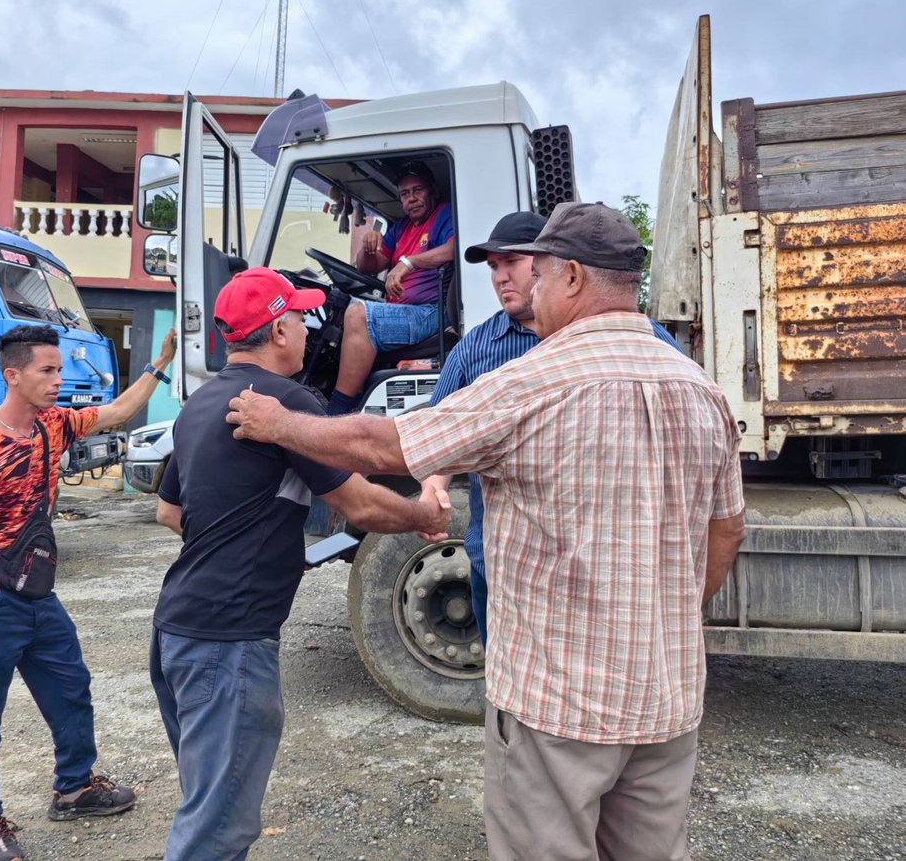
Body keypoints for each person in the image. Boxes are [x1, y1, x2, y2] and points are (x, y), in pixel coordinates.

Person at [224, 202, 748, 861]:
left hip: (560, 708)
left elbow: (388, 445)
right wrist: (660, 617)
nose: (521, 286)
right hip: (665, 703)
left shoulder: (534, 380)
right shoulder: (701, 389)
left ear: (573, 279)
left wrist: (284, 425)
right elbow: (725, 531)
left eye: (536, 273)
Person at [151, 267, 451, 861]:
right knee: (216, 831)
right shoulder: (284, 402)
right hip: (228, 644)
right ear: (279, 331)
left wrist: (266, 543)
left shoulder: (201, 401)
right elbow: (361, 501)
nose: (312, 332)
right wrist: (421, 510)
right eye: (301, 320)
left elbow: (169, 511)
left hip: (177, 631)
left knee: (207, 801)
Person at [0, 324, 177, 861]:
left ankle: (73, 788)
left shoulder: (54, 425)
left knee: (72, 687)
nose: (58, 379)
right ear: (13, 375)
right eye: (47, 370)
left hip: (37, 596)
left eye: (58, 368)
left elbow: (117, 412)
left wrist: (159, 363)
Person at [425, 211, 685, 646]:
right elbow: (440, 431)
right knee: (509, 690)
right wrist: (433, 486)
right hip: (503, 565)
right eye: (493, 267)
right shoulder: (477, 348)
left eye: (512, 262)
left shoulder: (640, 339)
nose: (501, 277)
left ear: (555, 267)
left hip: (604, 568)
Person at [326, 165, 454, 415]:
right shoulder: (402, 227)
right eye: (405, 194)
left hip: (431, 312)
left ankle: (338, 411)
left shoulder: (444, 214)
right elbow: (368, 267)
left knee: (358, 315)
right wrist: (367, 249)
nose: (412, 198)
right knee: (341, 314)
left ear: (433, 192)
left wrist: (409, 262)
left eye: (418, 190)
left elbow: (455, 248)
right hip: (406, 311)